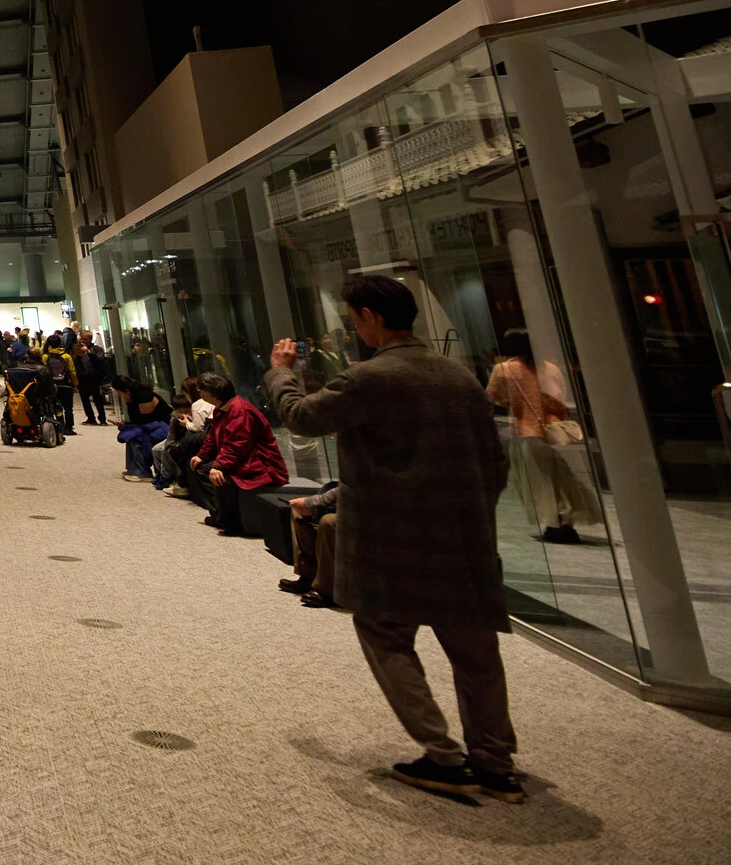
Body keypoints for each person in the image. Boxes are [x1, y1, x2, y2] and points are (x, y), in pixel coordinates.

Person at [264, 274, 520, 803]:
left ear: (373, 318)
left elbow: (301, 417)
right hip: (464, 541)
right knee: (476, 653)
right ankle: (495, 764)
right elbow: (496, 464)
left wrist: (281, 373)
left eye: (354, 317)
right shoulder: (460, 378)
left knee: (386, 634)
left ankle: (442, 755)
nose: (353, 327)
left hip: (392, 540)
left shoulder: (370, 379)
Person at [485, 331, 595, 545]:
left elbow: (493, 396)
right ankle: (567, 522)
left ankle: (552, 523)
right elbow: (559, 395)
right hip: (556, 432)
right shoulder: (551, 369)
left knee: (539, 481)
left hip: (527, 432)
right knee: (563, 479)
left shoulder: (504, 369)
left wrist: (514, 403)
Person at [186, 373, 286, 533]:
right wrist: (201, 455)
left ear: (209, 395)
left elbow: (237, 445)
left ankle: (230, 521)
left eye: (201, 390)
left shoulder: (240, 411)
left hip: (258, 462)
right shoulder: (222, 409)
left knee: (220, 477)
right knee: (200, 468)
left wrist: (219, 466)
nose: (200, 393)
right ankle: (219, 513)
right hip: (241, 458)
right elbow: (213, 436)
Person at [283, 479, 341, 608]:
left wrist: (313, 502)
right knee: (298, 511)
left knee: (329, 521)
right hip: (345, 505)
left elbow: (353, 489)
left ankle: (327, 590)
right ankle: (308, 576)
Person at [115, 377, 172, 480]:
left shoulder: (143, 395)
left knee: (136, 436)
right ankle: (134, 469)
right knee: (130, 434)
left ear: (126, 390)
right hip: (151, 424)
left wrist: (129, 426)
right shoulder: (132, 397)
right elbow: (137, 419)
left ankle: (142, 472)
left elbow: (146, 419)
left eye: (119, 392)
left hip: (162, 425)